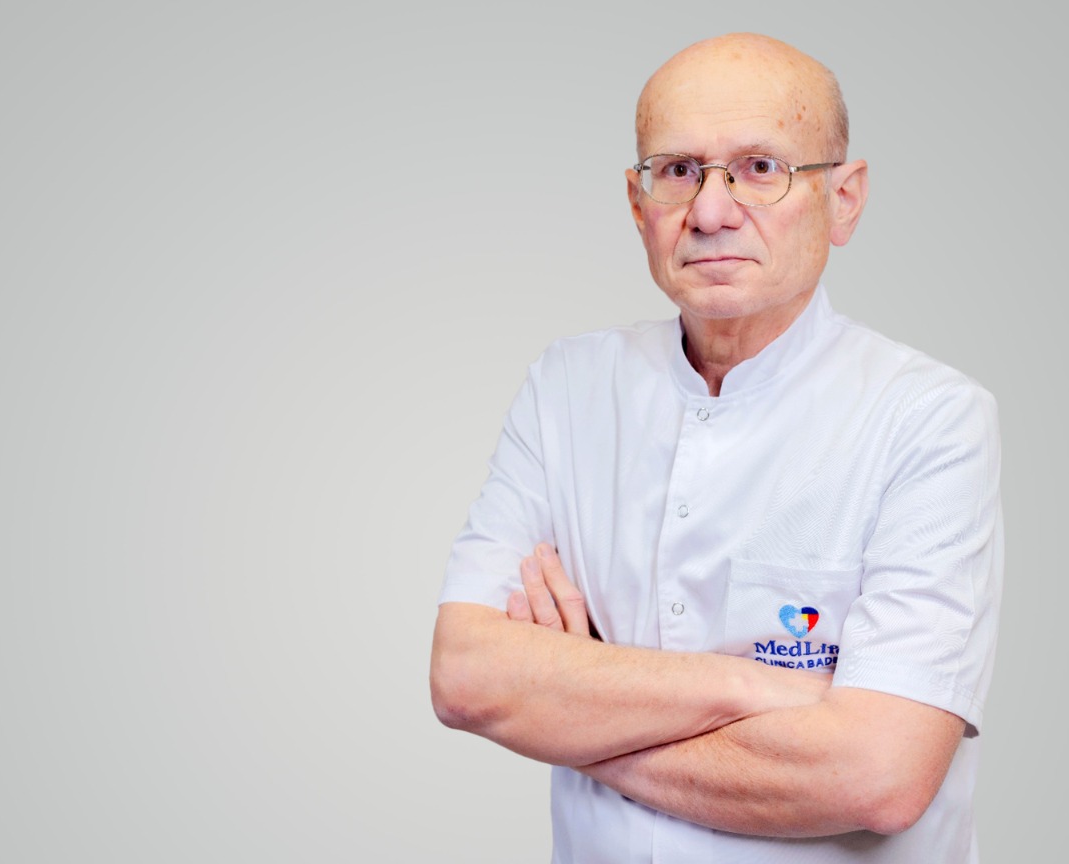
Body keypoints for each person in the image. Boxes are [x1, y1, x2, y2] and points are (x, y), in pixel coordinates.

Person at [429, 32, 1003, 863]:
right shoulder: (568, 388)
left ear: (844, 199)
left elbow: (879, 776)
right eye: (677, 171)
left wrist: (571, 703)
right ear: (638, 205)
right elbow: (466, 677)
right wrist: (755, 687)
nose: (709, 212)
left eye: (761, 169)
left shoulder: (927, 418)